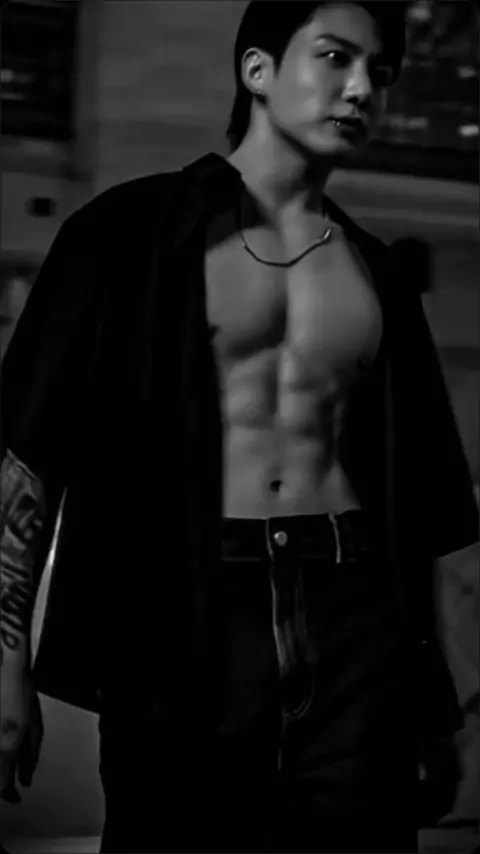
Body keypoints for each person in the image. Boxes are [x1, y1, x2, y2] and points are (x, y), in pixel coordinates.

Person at [1, 2, 478, 852]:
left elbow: (412, 513)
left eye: (380, 74)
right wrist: (2, 666)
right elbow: (27, 455)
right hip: (184, 623)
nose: (362, 89)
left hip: (355, 622)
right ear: (257, 70)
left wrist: (431, 704)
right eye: (335, 57)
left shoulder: (377, 274)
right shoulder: (123, 234)